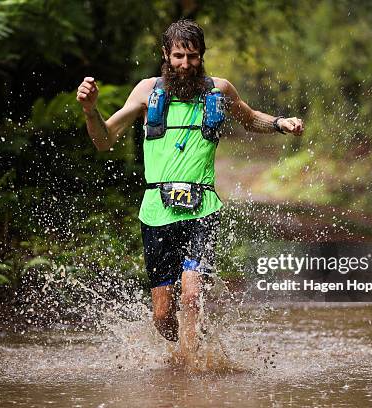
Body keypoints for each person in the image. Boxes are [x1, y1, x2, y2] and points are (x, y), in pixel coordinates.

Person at [76, 19, 303, 355]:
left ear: (202, 56)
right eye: (179, 56)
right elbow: (103, 140)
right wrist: (90, 110)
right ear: (166, 55)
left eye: (193, 57)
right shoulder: (145, 91)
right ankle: (182, 354)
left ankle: (192, 369)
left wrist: (281, 123)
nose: (185, 64)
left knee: (192, 296)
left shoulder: (219, 90)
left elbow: (250, 117)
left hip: (203, 209)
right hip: (157, 212)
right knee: (163, 315)